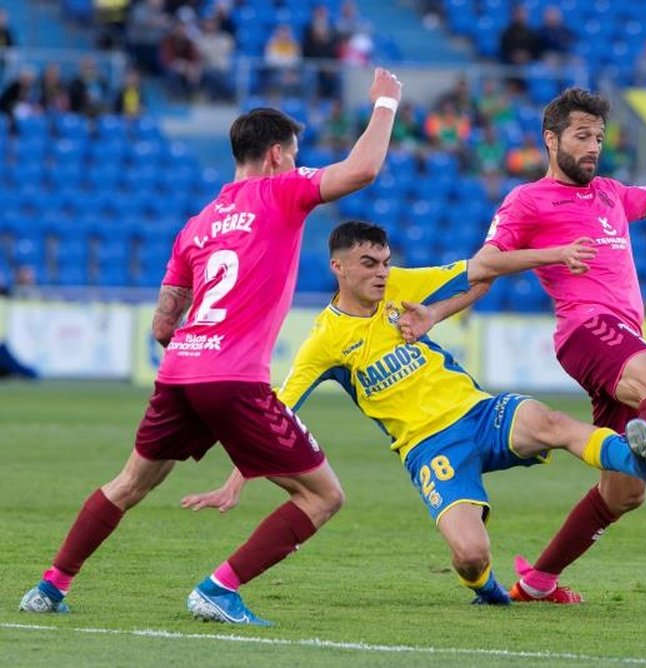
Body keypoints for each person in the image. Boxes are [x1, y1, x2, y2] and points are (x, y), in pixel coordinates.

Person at [19, 69, 404, 625]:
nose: (296, 165)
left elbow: (162, 323)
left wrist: (197, 338)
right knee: (323, 496)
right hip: (235, 377)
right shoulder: (281, 191)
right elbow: (363, 169)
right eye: (293, 156)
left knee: (129, 483)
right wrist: (387, 102)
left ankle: (50, 587)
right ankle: (220, 589)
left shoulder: (197, 224)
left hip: (179, 372)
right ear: (276, 155)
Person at [401, 88, 646, 602]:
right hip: (586, 330)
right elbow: (484, 265)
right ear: (551, 140)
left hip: (618, 337)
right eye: (581, 135)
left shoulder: (609, 193)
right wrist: (548, 255)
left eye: (598, 136)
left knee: (623, 493)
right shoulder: (527, 200)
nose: (593, 146)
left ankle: (537, 581)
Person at [180, 220, 646, 605]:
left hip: (477, 412)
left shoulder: (401, 288)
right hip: (429, 448)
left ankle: (639, 460)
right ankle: (487, 591)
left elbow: (480, 268)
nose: (381, 273)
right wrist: (240, 475)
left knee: (551, 423)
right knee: (471, 553)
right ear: (339, 267)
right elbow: (278, 412)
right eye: (368, 263)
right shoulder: (324, 341)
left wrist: (555, 254)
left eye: (386, 262)